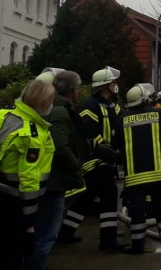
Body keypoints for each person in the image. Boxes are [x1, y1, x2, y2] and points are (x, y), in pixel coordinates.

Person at [0, 80, 56, 270]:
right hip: (16, 206)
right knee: (13, 258)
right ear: (44, 101)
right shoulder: (33, 133)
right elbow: (29, 181)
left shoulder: (5, 115)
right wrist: (29, 223)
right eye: (51, 99)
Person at [23, 70, 89, 270]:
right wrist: (76, 165)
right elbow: (59, 146)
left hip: (41, 182)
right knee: (45, 236)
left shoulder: (52, 109)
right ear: (74, 89)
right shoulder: (60, 112)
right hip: (51, 184)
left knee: (38, 234)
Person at [56, 66, 124, 252]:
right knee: (109, 194)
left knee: (86, 199)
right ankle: (108, 241)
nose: (115, 85)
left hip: (107, 160)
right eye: (113, 82)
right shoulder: (90, 106)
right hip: (93, 161)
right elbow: (86, 133)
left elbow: (118, 130)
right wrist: (102, 147)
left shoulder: (113, 105)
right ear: (106, 85)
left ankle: (65, 233)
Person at [114, 83, 161, 254]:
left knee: (137, 213)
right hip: (157, 173)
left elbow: (117, 144)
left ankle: (137, 246)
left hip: (135, 176)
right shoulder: (159, 114)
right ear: (144, 99)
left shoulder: (121, 119)